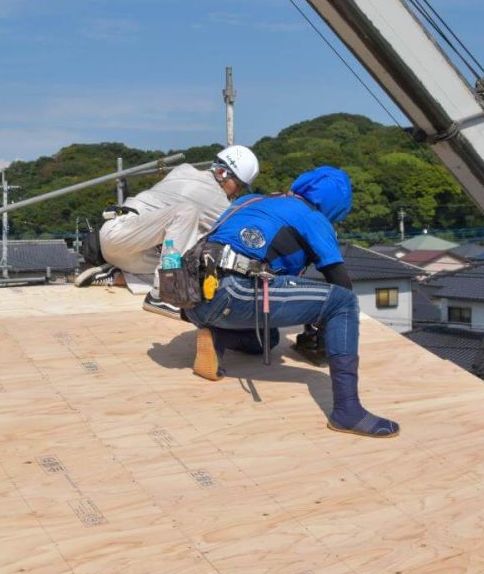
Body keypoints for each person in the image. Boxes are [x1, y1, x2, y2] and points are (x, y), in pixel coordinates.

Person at [183, 166, 399, 439]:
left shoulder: (251, 200)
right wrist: (325, 327)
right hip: (234, 291)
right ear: (335, 206)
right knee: (343, 303)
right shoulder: (312, 217)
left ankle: (218, 337)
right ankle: (348, 411)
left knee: (269, 338)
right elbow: (340, 283)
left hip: (194, 297)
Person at [75, 145, 259, 319]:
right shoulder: (213, 198)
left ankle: (116, 274)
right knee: (186, 212)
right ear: (222, 173)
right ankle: (163, 295)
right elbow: (240, 232)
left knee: (194, 270)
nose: (238, 192)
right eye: (239, 185)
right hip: (120, 233)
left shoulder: (184, 169)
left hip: (131, 249)